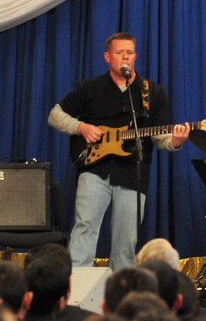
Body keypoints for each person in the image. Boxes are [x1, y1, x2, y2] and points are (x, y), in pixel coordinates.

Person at [48, 32, 190, 270]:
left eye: (130, 52)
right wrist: (81, 127)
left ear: (135, 56)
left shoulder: (152, 93)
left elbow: (160, 139)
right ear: (107, 56)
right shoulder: (91, 88)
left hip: (133, 175)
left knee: (126, 243)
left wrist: (176, 141)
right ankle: (73, 294)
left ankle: (119, 296)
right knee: (85, 230)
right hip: (94, 169)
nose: (125, 57)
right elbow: (55, 114)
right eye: (119, 52)